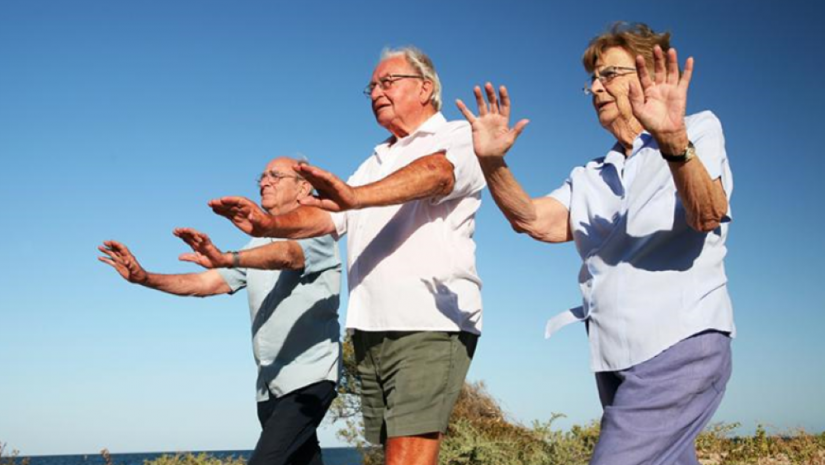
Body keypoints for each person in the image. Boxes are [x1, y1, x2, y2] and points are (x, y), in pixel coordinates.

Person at [456, 22, 734, 465]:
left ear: (646, 74)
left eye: (609, 75)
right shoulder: (590, 174)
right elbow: (530, 219)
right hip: (613, 356)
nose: (597, 88)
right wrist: (492, 164)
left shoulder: (695, 130)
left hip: (682, 341)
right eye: (593, 80)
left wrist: (673, 141)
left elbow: (707, 214)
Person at [209, 46, 486, 465]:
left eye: (388, 82)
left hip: (430, 319)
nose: (376, 91)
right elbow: (327, 216)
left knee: (407, 456)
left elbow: (437, 173)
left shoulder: (457, 137)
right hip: (371, 327)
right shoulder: (376, 159)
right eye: (371, 86)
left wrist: (355, 197)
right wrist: (267, 226)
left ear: (426, 88)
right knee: (390, 451)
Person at [98, 156, 342, 465]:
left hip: (308, 378)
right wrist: (144, 278)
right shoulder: (255, 245)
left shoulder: (316, 230)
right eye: (262, 176)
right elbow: (204, 283)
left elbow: (288, 255)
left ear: (303, 187)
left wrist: (228, 258)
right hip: (269, 388)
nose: (264, 182)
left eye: (275, 176)